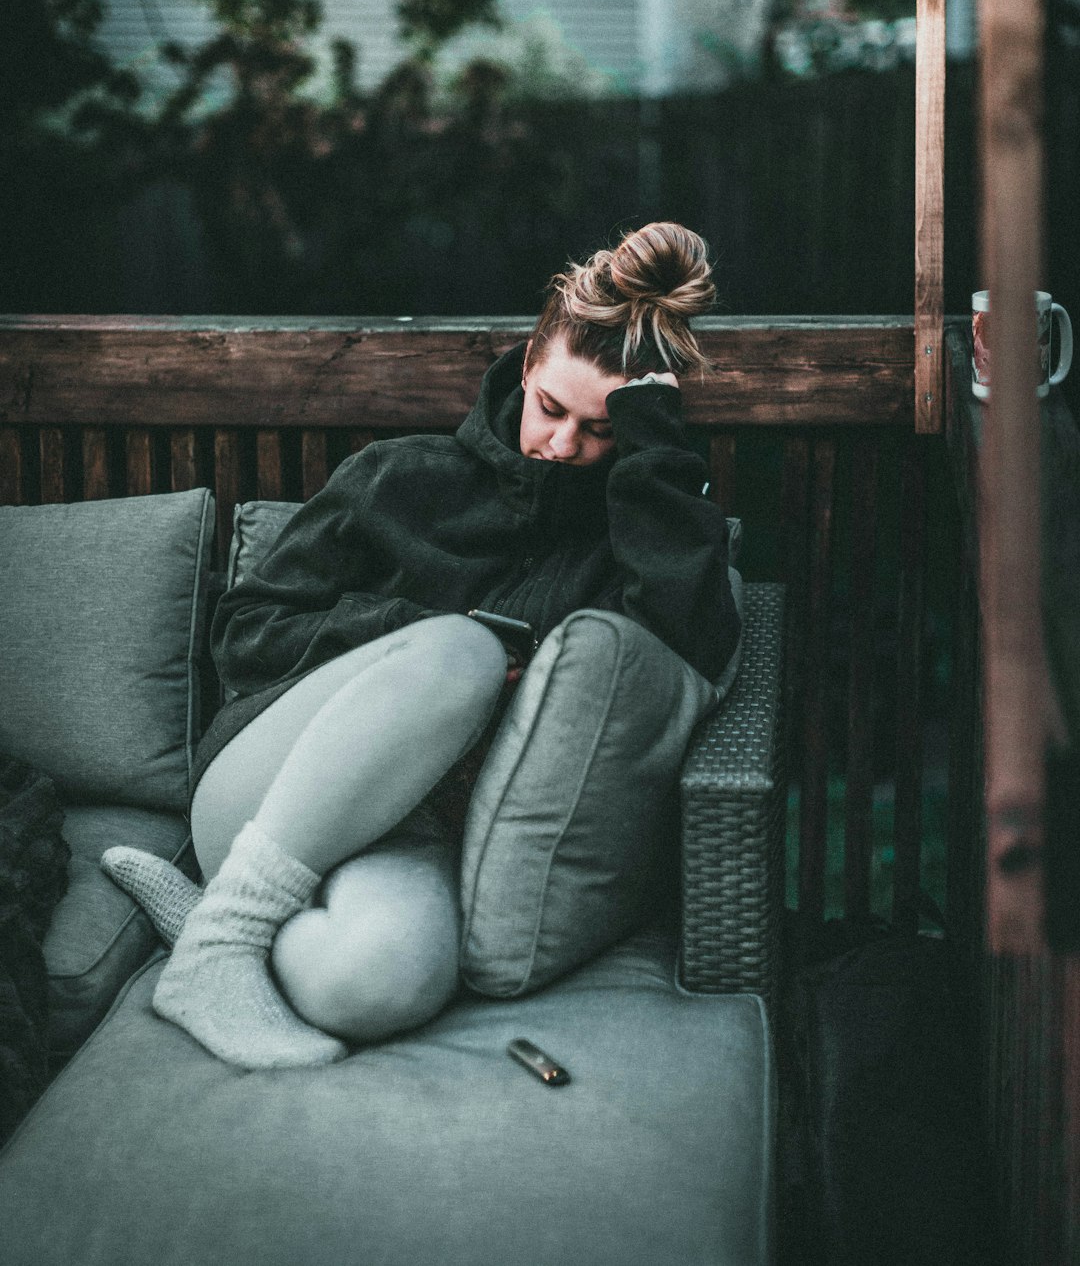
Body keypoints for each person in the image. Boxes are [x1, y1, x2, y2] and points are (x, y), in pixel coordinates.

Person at [101, 221, 741, 1070]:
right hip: (263, 791)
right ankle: (224, 947)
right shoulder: (397, 479)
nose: (563, 445)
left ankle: (205, 926)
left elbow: (692, 646)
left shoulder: (626, 541)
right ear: (526, 370)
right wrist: (420, 639)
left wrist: (657, 447)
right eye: (552, 409)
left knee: (375, 985)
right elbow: (245, 636)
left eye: (603, 431)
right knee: (462, 656)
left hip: (419, 835)